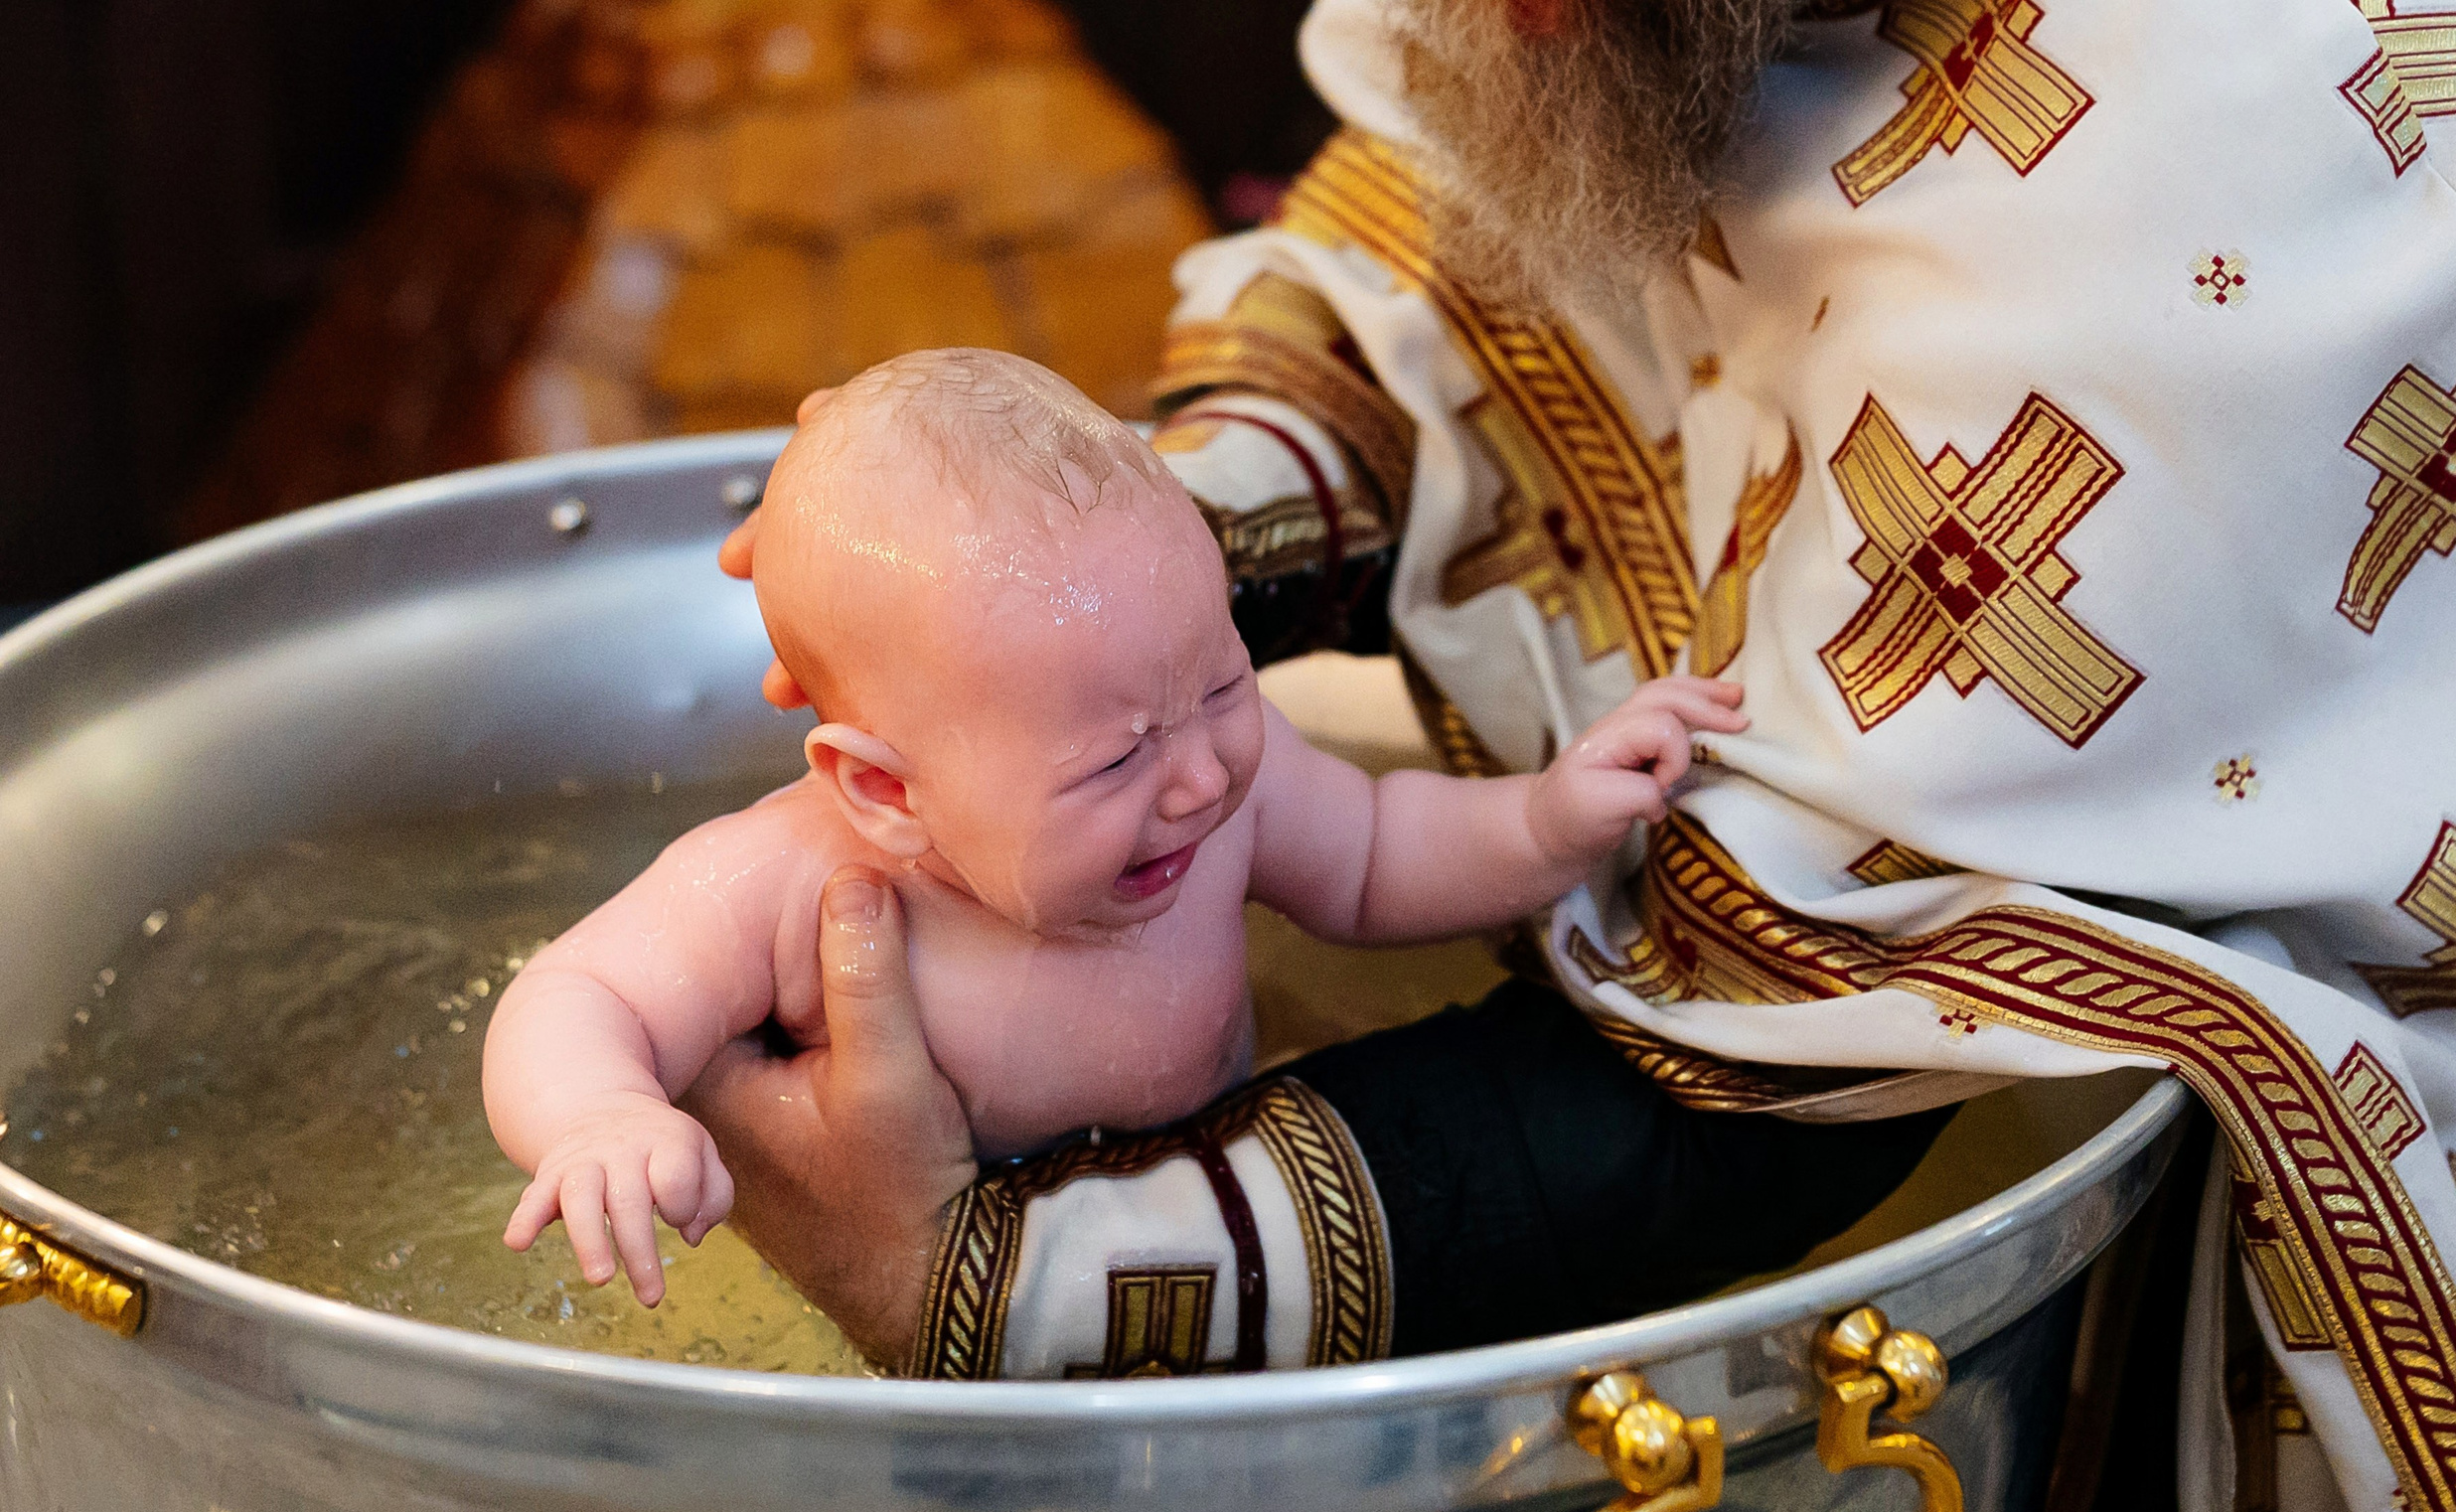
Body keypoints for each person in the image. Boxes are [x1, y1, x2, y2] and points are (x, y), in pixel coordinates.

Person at [698, 0, 2456, 1512]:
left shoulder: (2209, 163)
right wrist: (1044, 589)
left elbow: (1803, 1052)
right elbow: (1456, 256)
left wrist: (1012, 1277)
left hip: (2331, 1153)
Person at [483, 348, 1748, 1308]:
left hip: (1205, 1211)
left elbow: (1375, 853)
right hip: (927, 1266)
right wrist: (601, 1118)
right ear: (887, 793)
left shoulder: (1215, 795)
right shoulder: (791, 877)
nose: (1200, 775)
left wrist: (1546, 818)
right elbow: (578, 991)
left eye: (1225, 682)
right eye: (1115, 757)